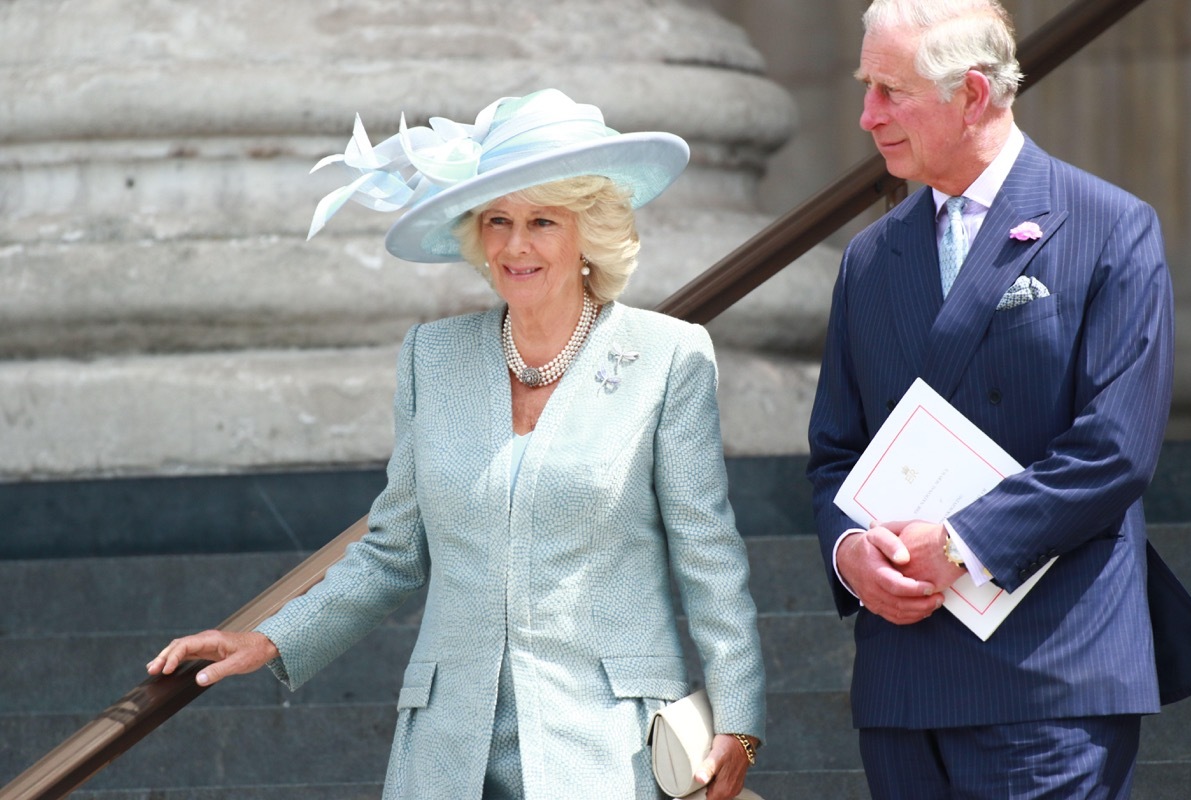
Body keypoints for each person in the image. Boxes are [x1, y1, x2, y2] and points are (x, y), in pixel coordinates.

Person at [147, 88, 766, 800]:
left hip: (608, 744)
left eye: (542, 220)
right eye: (497, 220)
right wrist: (272, 638)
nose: (515, 244)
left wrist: (740, 723)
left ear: (587, 231)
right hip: (448, 747)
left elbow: (707, 555)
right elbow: (392, 552)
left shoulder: (668, 357)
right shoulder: (431, 358)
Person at [806, 1, 1174, 798]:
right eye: (866, 86)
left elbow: (1117, 446)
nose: (867, 115)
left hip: (1050, 675)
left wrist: (961, 544)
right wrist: (850, 554)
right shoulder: (869, 258)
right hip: (903, 684)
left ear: (972, 95)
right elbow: (836, 452)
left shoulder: (1110, 227)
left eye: (891, 90)